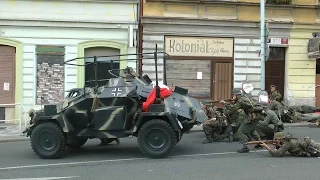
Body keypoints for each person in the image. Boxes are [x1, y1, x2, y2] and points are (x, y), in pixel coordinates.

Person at [220, 89, 263, 153]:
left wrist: (225, 103)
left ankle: (245, 147)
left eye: (233, 95)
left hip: (252, 117)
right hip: (257, 116)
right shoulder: (245, 97)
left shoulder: (240, 101)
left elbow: (233, 109)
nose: (233, 97)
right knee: (252, 130)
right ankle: (260, 143)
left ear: (236, 95)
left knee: (240, 131)